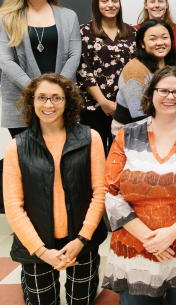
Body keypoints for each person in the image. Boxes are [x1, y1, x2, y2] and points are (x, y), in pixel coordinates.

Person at [103, 66, 176, 304]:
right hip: (137, 243)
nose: (170, 97)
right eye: (164, 90)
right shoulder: (127, 134)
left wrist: (169, 234)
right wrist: (150, 239)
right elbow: (111, 193)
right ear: (151, 93)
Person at [3, 73, 107, 305]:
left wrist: (81, 239)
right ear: (31, 101)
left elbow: (100, 194)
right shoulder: (16, 147)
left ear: (67, 101)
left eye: (56, 98)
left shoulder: (91, 138)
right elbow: (13, 207)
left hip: (82, 241)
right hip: (36, 246)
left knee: (82, 301)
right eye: (41, 97)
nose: (48, 104)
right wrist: (41, 251)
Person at [0, 0, 82, 136]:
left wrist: (57, 90)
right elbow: (5, 60)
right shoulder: (7, 18)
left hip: (62, 101)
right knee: (28, 159)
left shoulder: (69, 16)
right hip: (21, 102)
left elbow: (74, 55)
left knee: (61, 158)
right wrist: (36, 90)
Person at [77, 0, 136, 155]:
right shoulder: (84, 32)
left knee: (122, 154)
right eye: (104, 1)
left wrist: (122, 103)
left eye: (114, 0)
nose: (110, 5)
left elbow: (136, 68)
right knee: (94, 154)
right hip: (94, 106)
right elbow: (83, 70)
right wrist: (104, 102)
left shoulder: (132, 33)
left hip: (124, 105)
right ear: (97, 4)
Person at [112, 18, 176, 135]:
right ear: (142, 44)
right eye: (153, 39)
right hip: (132, 131)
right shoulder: (135, 69)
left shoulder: (172, 66)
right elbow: (139, 116)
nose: (160, 43)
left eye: (165, 37)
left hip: (162, 127)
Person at [134, 0, 176, 73]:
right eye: (152, 2)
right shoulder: (135, 30)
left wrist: (175, 79)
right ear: (146, 5)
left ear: (166, 5)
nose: (157, 5)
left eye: (160, 1)